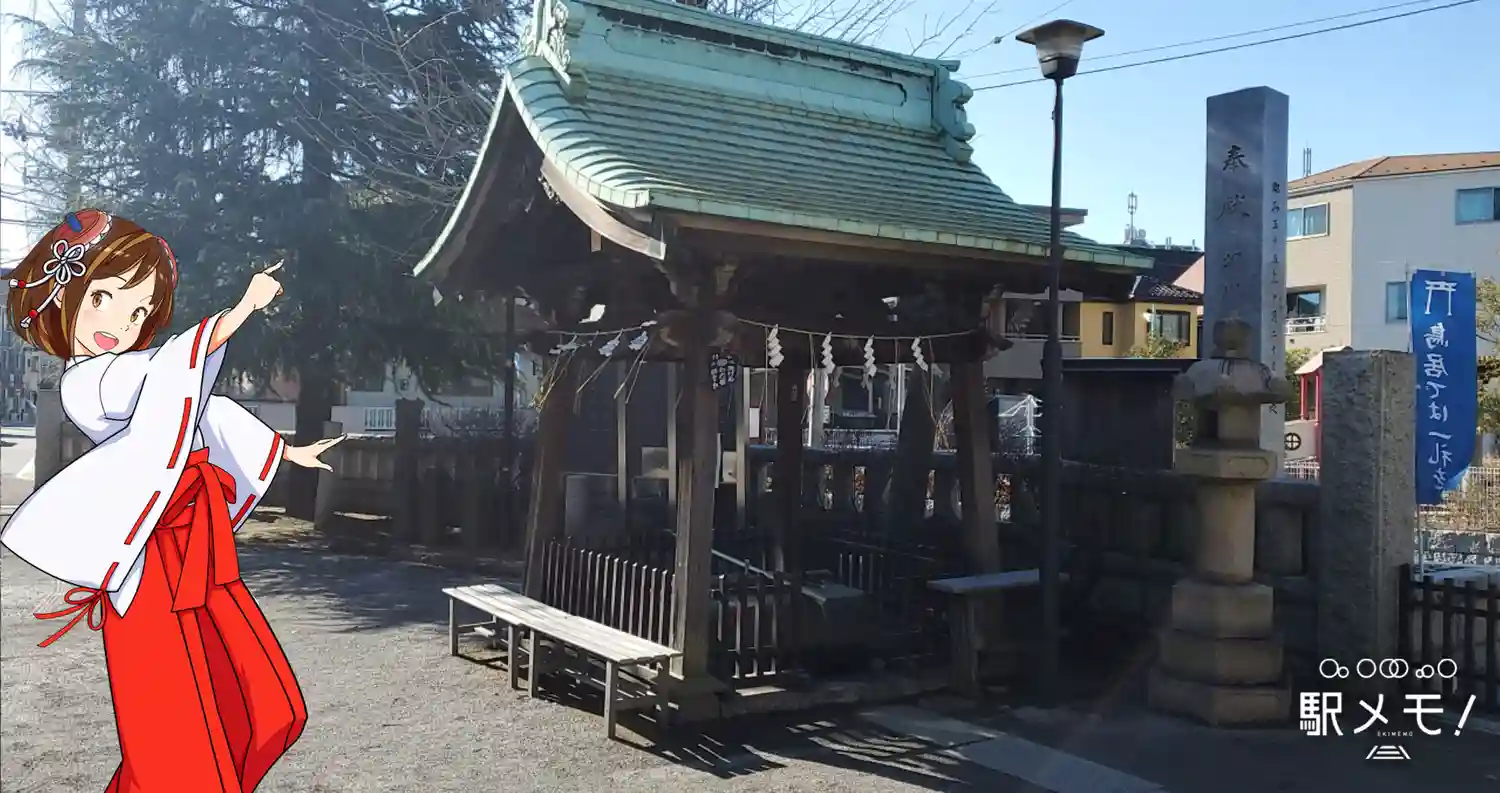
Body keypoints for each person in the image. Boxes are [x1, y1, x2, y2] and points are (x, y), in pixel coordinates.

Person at [0, 209, 344, 792]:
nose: (120, 322)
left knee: (269, 710)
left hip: (195, 551)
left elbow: (205, 409)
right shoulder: (88, 381)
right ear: (65, 297)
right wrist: (241, 310)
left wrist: (287, 452)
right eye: (104, 298)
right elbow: (168, 375)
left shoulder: (143, 373)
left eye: (138, 312)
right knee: (179, 744)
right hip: (149, 564)